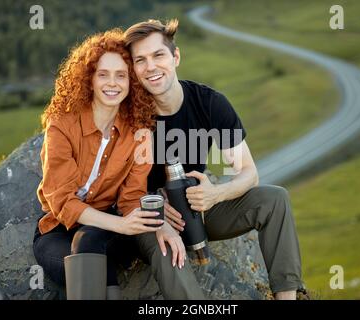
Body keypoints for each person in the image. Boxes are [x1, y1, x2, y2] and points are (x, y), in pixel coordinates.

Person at [124, 19, 304, 300]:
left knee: (274, 200)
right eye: (140, 60)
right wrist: (154, 207)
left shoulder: (208, 103)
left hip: (198, 210)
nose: (151, 67)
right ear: (133, 69)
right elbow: (113, 185)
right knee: (168, 247)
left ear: (176, 57)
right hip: (151, 219)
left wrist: (215, 194)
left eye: (158, 55)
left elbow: (248, 172)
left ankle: (287, 297)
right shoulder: (128, 115)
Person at [32, 28, 163, 300]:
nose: (112, 83)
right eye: (103, 74)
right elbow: (63, 202)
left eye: (121, 75)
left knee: (91, 240)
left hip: (110, 231)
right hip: (58, 232)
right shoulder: (62, 125)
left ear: (132, 82)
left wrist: (138, 223)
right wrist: (121, 225)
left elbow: (131, 198)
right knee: (86, 253)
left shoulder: (139, 132)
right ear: (89, 79)